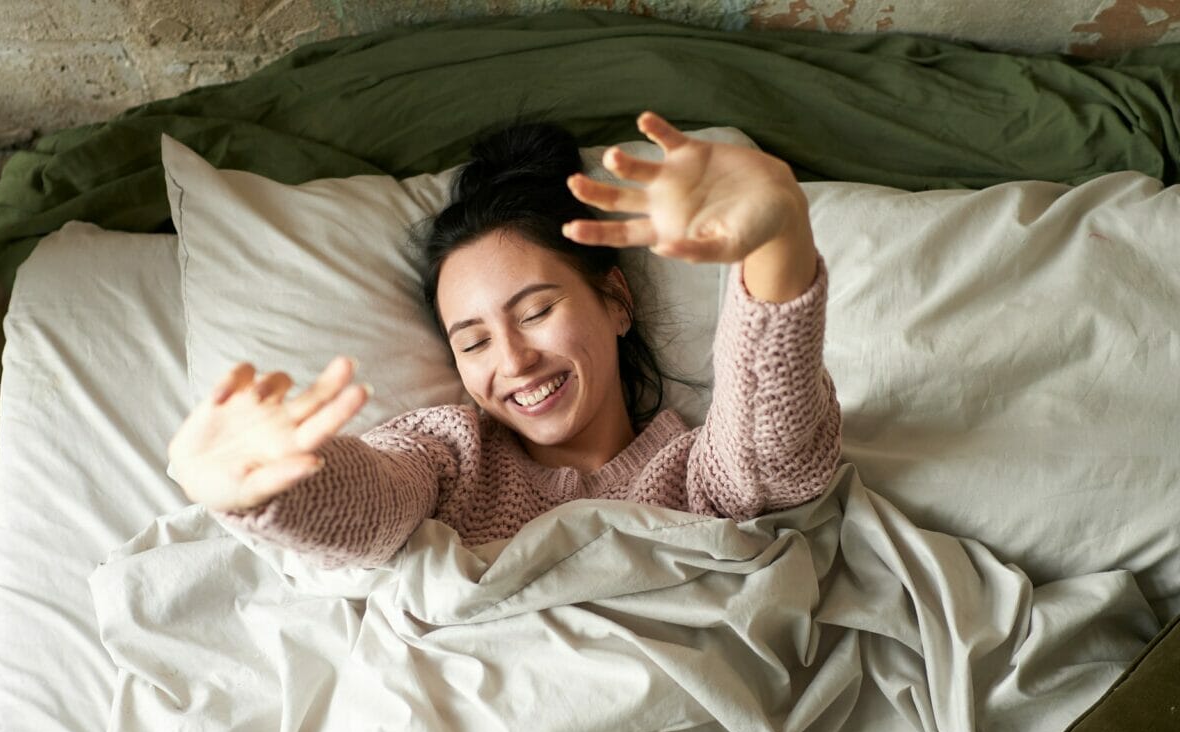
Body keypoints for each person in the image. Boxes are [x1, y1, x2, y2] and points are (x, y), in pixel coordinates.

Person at [166, 112, 842, 569]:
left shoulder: (697, 475)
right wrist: (255, 488)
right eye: (475, 341)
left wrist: (780, 237)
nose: (514, 361)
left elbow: (771, 444)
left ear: (616, 301)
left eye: (537, 310)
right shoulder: (450, 458)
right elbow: (373, 498)